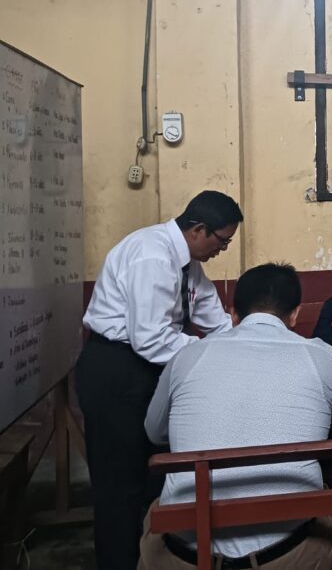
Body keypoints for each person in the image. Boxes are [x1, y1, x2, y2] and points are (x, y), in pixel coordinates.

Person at [139, 262, 332, 569]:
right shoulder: (323, 357)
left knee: (157, 509)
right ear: (295, 315)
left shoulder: (187, 356)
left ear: (233, 314)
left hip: (185, 557)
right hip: (284, 557)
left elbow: (154, 431)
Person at [75, 190, 242, 570]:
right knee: (120, 484)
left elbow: (215, 321)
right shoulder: (151, 255)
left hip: (152, 370)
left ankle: (150, 559)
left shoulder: (190, 267)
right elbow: (150, 339)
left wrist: (245, 344)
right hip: (116, 369)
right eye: (222, 241)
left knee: (155, 473)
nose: (223, 250)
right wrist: (209, 352)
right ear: (199, 230)